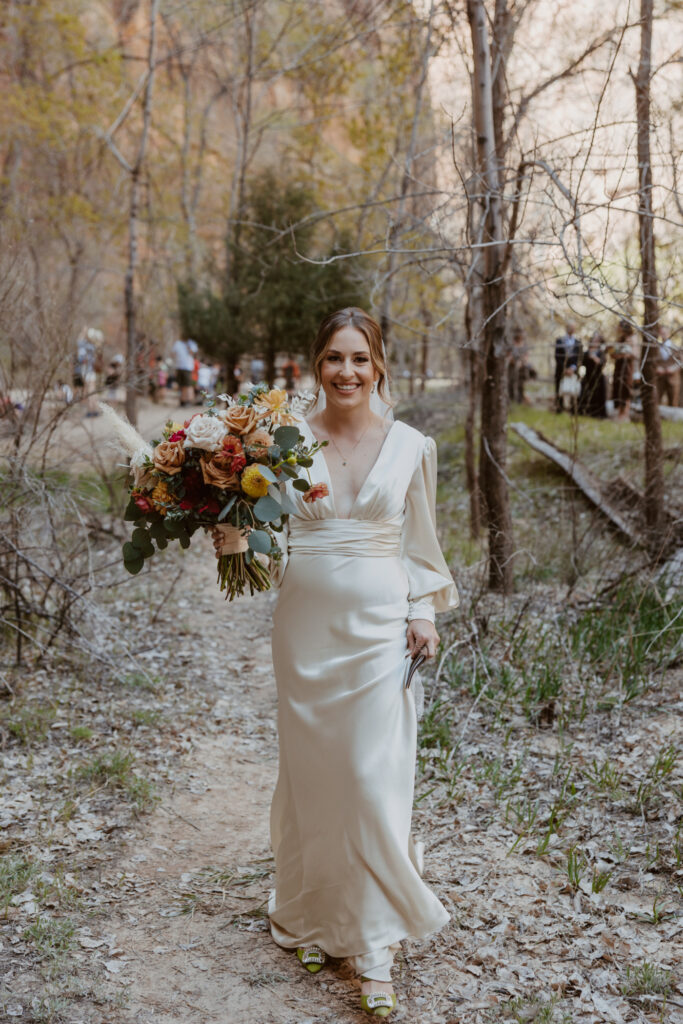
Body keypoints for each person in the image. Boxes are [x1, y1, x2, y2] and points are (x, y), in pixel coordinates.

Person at [215, 307, 458, 1018]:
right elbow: (262, 543)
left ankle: (375, 945)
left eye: (359, 358)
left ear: (377, 364)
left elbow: (420, 544)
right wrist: (231, 537)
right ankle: (311, 912)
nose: (345, 372)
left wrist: (422, 612)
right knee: (315, 775)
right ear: (314, 365)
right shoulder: (281, 443)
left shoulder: (412, 445)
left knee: (370, 776)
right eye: (332, 358)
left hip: (381, 628)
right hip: (305, 628)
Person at [610, 319, 637, 421]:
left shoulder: (633, 338)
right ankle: (619, 412)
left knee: (626, 389)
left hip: (627, 368)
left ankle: (625, 414)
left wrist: (624, 354)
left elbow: (635, 354)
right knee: (617, 387)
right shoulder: (619, 339)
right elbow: (612, 353)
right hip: (618, 366)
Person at [554, 321, 582, 413]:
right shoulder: (559, 340)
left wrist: (573, 368)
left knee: (573, 389)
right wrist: (564, 369)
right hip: (561, 370)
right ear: (566, 328)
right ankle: (559, 407)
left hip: (573, 370)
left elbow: (579, 357)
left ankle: (573, 409)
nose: (572, 329)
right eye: (570, 327)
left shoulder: (578, 342)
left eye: (573, 327)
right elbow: (557, 356)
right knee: (560, 388)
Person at [578, 331, 607, 418]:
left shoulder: (601, 352)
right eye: (594, 339)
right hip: (588, 376)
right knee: (585, 393)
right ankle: (585, 411)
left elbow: (602, 363)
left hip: (598, 377)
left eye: (596, 340)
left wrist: (594, 358)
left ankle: (597, 413)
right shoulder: (587, 352)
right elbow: (581, 363)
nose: (594, 341)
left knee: (598, 395)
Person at [655, 325, 680, 407]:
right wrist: (657, 368)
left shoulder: (676, 347)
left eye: (664, 333)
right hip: (659, 377)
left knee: (673, 401)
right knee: (656, 399)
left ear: (669, 333)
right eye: (661, 333)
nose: (663, 335)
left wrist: (673, 369)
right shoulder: (655, 347)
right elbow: (652, 361)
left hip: (673, 378)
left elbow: (680, 362)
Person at [172, 337, 197, 406]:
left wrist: (188, 347)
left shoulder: (192, 343)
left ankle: (188, 400)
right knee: (181, 385)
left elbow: (193, 352)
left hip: (188, 367)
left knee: (188, 385)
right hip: (179, 367)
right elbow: (173, 353)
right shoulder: (178, 343)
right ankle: (182, 400)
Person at [507, 327, 530, 405]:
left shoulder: (524, 345)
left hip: (522, 367)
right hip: (512, 366)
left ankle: (520, 400)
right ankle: (511, 398)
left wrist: (522, 362)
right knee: (511, 383)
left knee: (521, 383)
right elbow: (508, 355)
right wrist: (513, 361)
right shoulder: (512, 344)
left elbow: (526, 356)